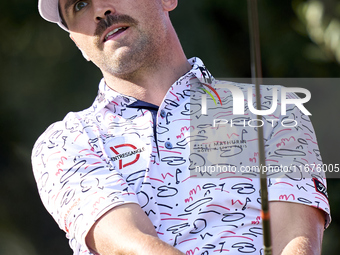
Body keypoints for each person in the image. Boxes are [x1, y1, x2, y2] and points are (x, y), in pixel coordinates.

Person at [32, 0, 330, 254]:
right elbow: (129, 245)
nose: (100, 9)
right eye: (79, 4)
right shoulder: (65, 141)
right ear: (76, 40)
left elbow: (297, 238)